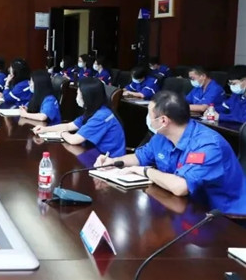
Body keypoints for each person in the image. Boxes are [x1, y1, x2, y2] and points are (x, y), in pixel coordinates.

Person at [94, 91, 246, 215]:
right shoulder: (162, 136)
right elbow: (139, 157)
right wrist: (113, 161)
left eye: (149, 114)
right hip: (187, 206)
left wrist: (145, 171)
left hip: (223, 216)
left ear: (163, 121)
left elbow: (180, 187)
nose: (148, 119)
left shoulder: (208, 145)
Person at [34, 78, 126, 157]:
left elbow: (74, 139)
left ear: (87, 97)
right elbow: (69, 126)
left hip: (109, 161)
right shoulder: (95, 110)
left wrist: (62, 133)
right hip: (95, 154)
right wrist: (45, 129)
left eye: (78, 94)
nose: (76, 97)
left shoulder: (101, 116)